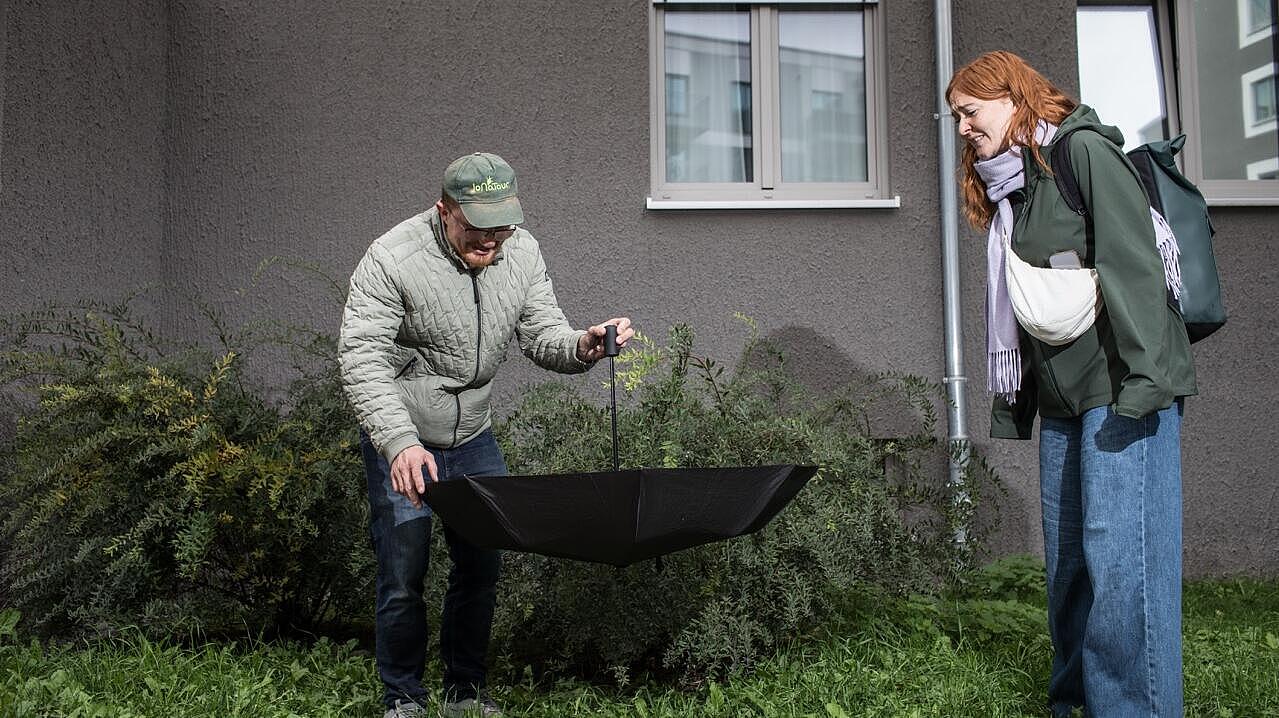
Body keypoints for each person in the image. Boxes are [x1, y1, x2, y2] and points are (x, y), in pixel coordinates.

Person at [338, 151, 634, 718]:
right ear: (444, 210)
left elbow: (542, 334)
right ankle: (403, 697)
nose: (491, 240)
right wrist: (399, 443)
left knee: (481, 568)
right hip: (405, 434)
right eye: (477, 226)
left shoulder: (520, 251)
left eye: (501, 226)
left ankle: (465, 690)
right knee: (403, 572)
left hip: (473, 435)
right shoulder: (392, 258)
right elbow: (361, 358)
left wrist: (583, 345)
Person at [947, 52, 1196, 717]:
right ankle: (1076, 703)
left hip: (1122, 384)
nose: (962, 128)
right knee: (1070, 570)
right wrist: (1021, 399)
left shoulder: (1081, 152)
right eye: (956, 118)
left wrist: (1147, 380)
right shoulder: (1014, 188)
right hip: (1064, 397)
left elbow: (1133, 266)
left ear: (1011, 98)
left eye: (969, 111)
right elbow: (1034, 304)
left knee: (1122, 566)